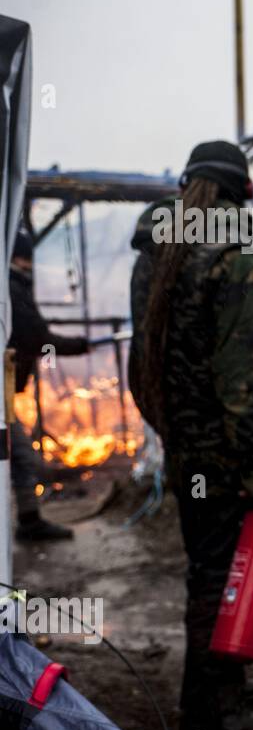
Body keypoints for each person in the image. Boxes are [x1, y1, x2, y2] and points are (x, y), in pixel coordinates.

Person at [128, 140, 253, 730]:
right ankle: (211, 709)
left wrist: (175, 430)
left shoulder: (155, 255)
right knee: (231, 575)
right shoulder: (235, 257)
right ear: (242, 192)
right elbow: (245, 374)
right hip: (227, 453)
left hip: (187, 448)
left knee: (210, 569)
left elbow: (140, 364)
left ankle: (227, 686)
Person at [7, 226, 90, 541]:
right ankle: (29, 522)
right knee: (23, 458)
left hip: (7, 390)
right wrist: (79, 345)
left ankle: (29, 519)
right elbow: (38, 338)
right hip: (2, 393)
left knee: (19, 458)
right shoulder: (12, 288)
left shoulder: (12, 287)